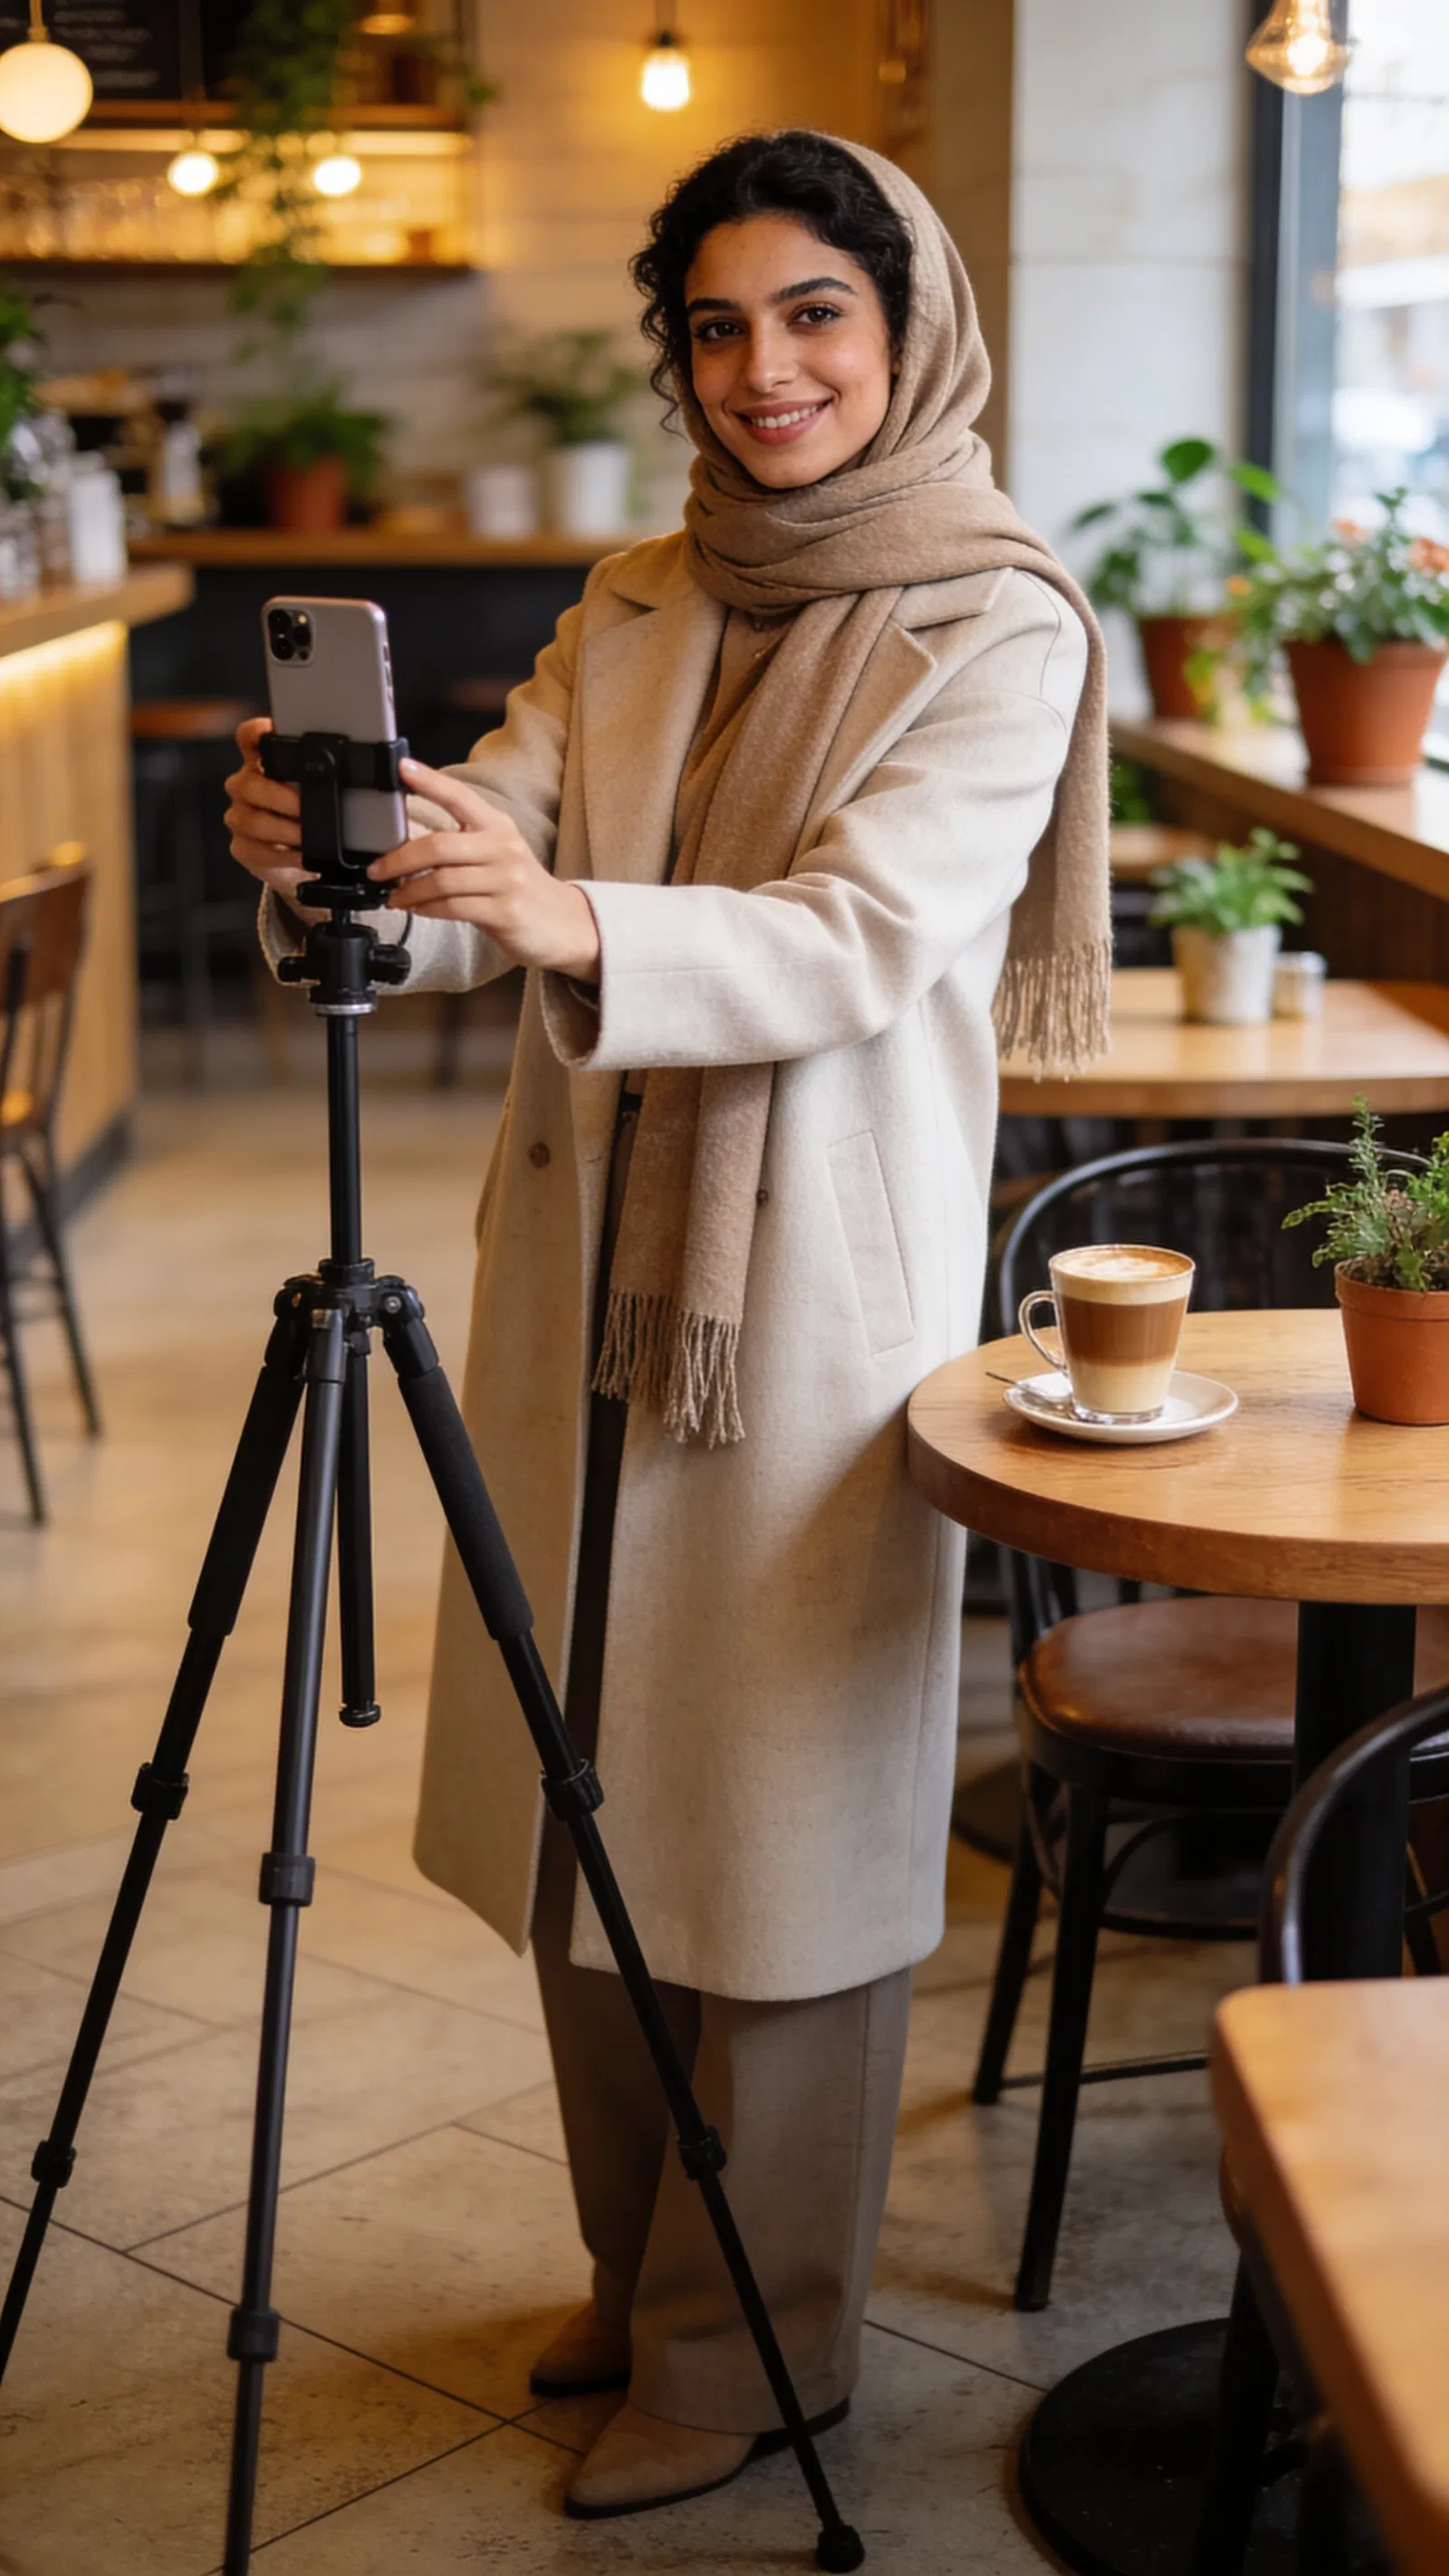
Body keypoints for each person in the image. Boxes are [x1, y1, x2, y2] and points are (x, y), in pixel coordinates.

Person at [225, 128, 1108, 2524]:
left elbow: (863, 934)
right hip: (584, 1274)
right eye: (717, 326)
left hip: (804, 1308)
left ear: (911, 327)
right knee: (583, 1779)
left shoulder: (1002, 619)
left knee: (778, 1832)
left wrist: (566, 911)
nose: (764, 369)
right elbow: (483, 857)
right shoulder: (637, 593)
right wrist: (357, 866)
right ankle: (647, 2274)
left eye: (815, 313)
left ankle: (759, 2351)